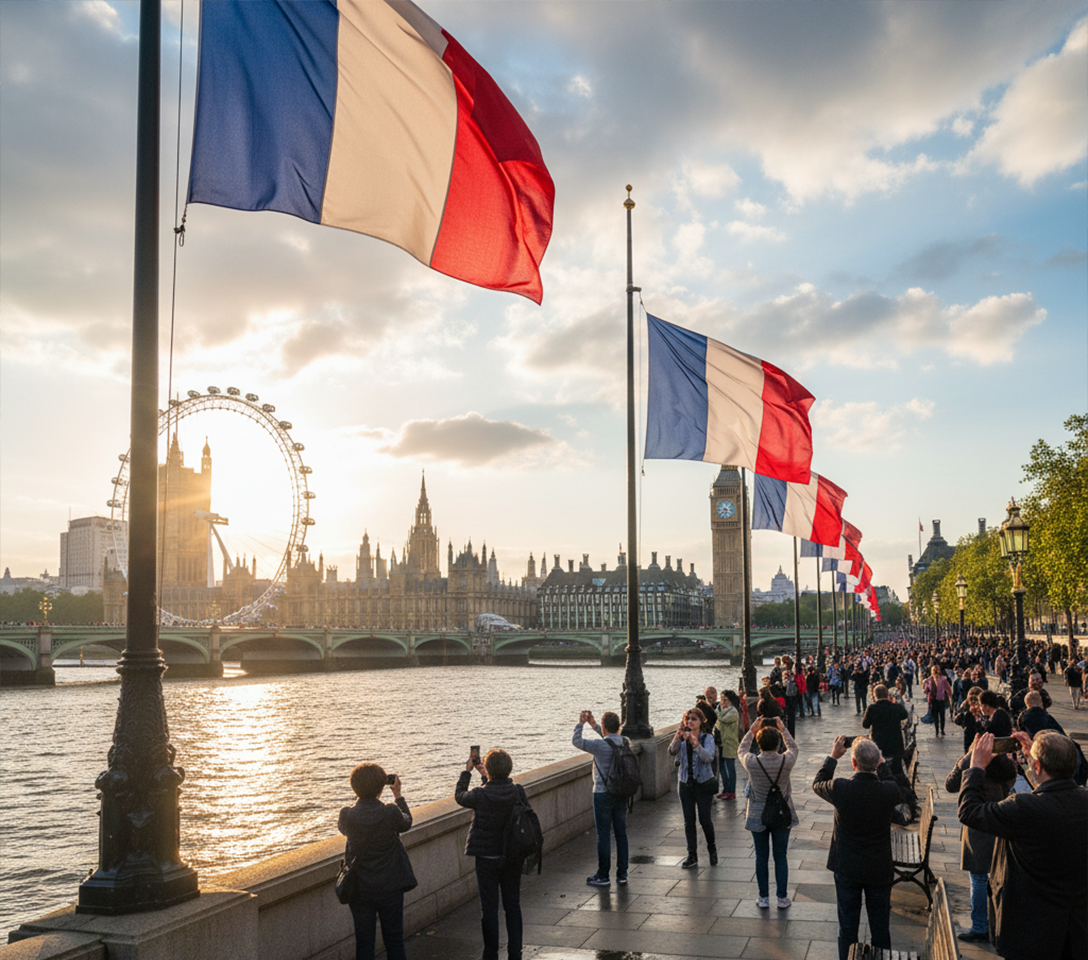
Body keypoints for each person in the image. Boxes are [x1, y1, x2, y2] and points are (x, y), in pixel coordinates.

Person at [957, 731, 1088, 960]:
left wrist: (976, 765)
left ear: (1037, 766)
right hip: (1076, 928)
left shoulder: (1023, 808)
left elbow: (969, 811)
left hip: (1029, 930)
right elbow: (1055, 790)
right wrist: (1033, 762)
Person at [813, 737, 904, 960]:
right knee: (880, 928)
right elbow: (898, 787)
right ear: (876, 763)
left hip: (847, 867)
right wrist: (882, 764)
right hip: (879, 868)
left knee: (847, 928)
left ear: (853, 763)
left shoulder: (841, 788)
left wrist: (833, 757)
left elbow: (818, 783)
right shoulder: (889, 791)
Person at [338, 763, 416, 960]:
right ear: (382, 787)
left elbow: (345, 829)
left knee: (364, 944)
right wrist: (398, 795)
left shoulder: (346, 815)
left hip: (360, 888)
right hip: (390, 886)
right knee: (395, 940)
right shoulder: (390, 812)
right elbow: (406, 822)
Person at [944, 747, 1017, 944]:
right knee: (999, 877)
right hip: (999, 822)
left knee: (978, 878)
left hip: (978, 827)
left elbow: (950, 785)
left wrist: (968, 757)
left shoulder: (975, 769)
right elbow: (1010, 780)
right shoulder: (1004, 765)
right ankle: (997, 924)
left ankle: (980, 926)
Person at [455, 748, 523, 960]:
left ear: (490, 770)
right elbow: (501, 791)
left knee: (489, 909)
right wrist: (486, 776)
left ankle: (490, 953)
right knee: (512, 905)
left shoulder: (480, 794)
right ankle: (515, 953)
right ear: (509, 768)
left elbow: (459, 796)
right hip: (512, 856)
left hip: (486, 859)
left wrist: (467, 772)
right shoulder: (518, 791)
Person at [738, 717, 799, 909]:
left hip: (758, 815)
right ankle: (782, 898)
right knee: (780, 856)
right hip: (782, 813)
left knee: (761, 856)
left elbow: (741, 749)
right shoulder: (786, 761)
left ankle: (763, 897)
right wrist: (783, 728)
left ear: (759, 743)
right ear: (778, 743)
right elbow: (794, 748)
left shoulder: (752, 762)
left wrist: (751, 730)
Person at [572, 710, 630, 887]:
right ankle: (622, 874)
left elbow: (577, 741)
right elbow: (611, 739)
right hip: (621, 792)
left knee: (603, 835)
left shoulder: (598, 745)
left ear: (604, 727)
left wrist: (581, 723)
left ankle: (603, 875)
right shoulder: (625, 742)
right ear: (619, 726)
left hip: (602, 793)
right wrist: (595, 725)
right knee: (621, 833)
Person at [668, 707, 717, 868]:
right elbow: (671, 751)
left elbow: (709, 757)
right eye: (688, 719)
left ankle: (712, 848)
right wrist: (677, 736)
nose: (690, 721)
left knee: (705, 820)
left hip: (703, 783)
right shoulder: (682, 738)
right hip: (685, 783)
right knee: (689, 821)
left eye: (694, 719)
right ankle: (692, 855)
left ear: (701, 721)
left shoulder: (707, 738)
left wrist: (696, 745)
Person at [861, 685, 910, 777]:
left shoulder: (872, 708)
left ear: (875, 695)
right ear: (888, 694)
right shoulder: (895, 707)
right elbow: (904, 715)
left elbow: (865, 725)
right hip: (895, 744)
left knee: (879, 770)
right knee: (897, 770)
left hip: (879, 744)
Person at [716, 690, 741, 800]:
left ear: (731, 701)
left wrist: (716, 711)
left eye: (725, 700)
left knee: (730, 768)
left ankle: (732, 791)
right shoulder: (721, 709)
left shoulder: (733, 712)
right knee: (721, 767)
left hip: (730, 743)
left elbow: (722, 719)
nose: (722, 702)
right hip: (721, 742)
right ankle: (725, 789)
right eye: (721, 700)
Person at [922, 665, 953, 738]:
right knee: (935, 716)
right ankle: (936, 730)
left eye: (936, 670)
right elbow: (926, 690)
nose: (935, 672)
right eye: (934, 670)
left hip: (941, 699)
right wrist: (925, 689)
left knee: (942, 716)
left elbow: (948, 688)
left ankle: (942, 729)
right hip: (933, 700)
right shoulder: (929, 680)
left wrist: (950, 696)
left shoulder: (943, 679)